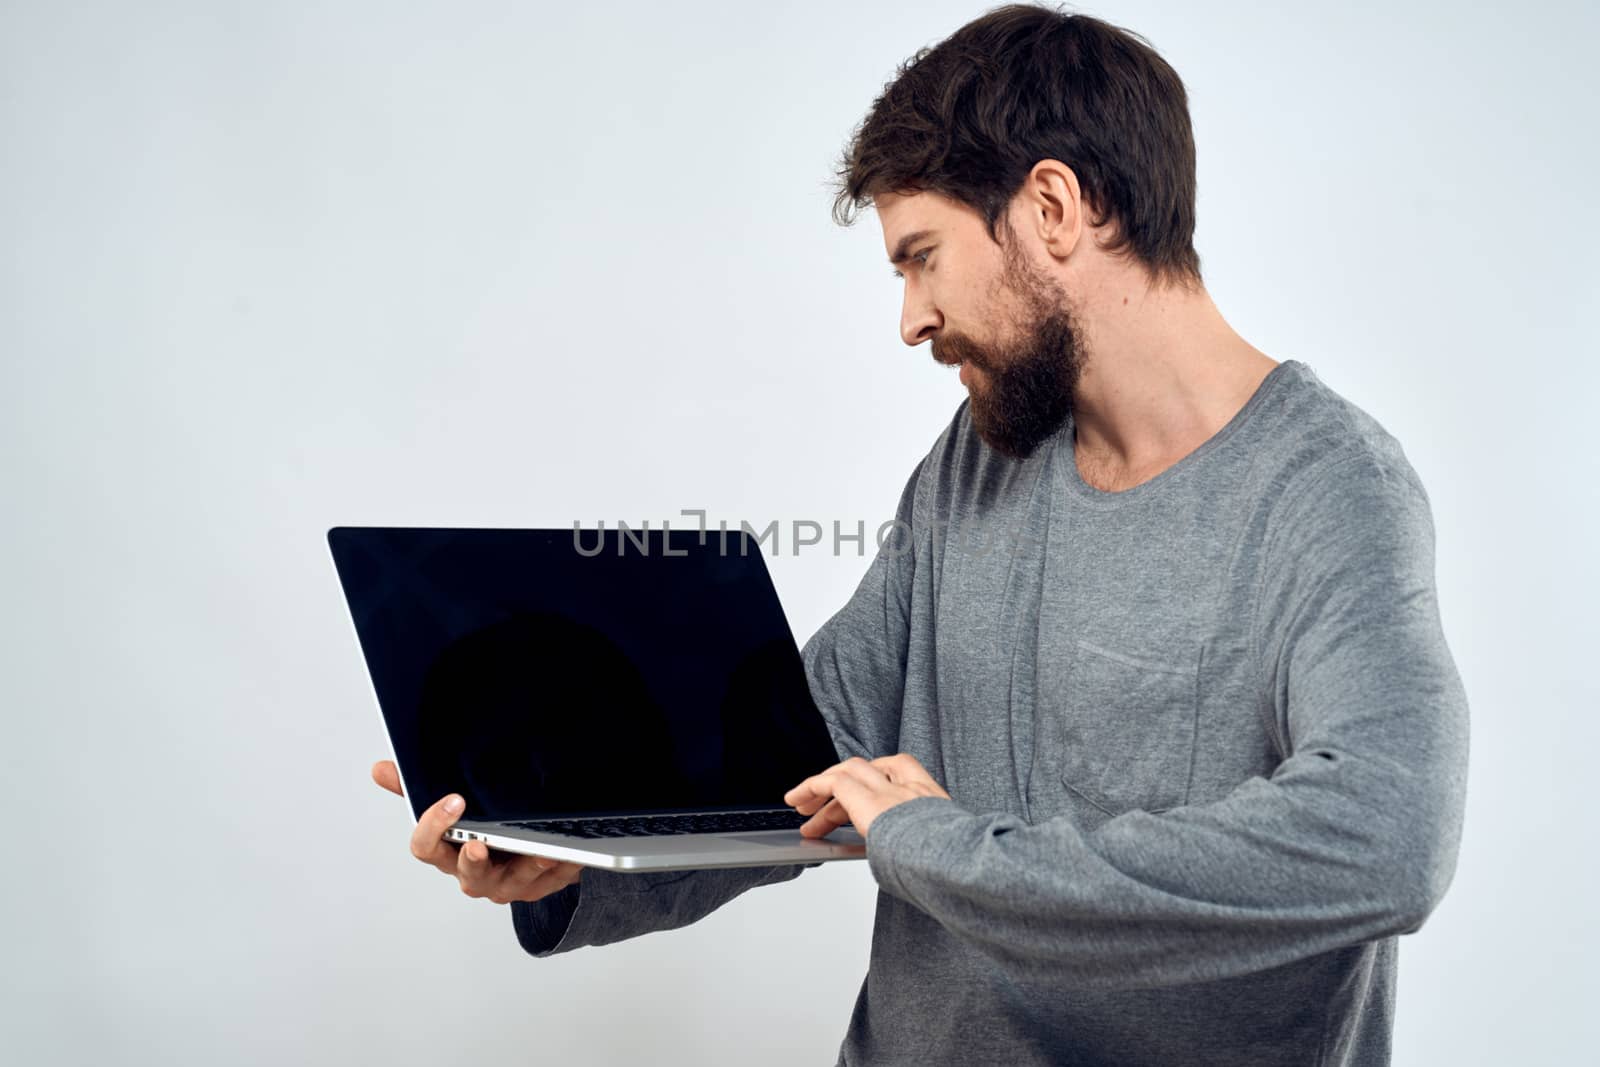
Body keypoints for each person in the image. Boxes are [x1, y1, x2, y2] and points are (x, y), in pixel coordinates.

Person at [370, 5, 1468, 1064]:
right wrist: (571, 856)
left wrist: (941, 847)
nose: (909, 320)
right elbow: (811, 753)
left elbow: (1381, 833)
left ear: (1051, 208)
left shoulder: (1329, 489)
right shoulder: (979, 456)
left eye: (921, 256)